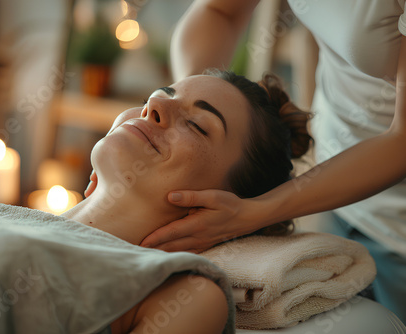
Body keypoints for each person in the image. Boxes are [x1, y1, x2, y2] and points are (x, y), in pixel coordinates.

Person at [107, 0, 405, 323]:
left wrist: (256, 210)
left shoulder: (194, 303)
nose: (153, 105)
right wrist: (190, 107)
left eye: (198, 127)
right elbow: (219, 11)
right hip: (337, 177)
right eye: (166, 93)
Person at [75, 69, 311, 332]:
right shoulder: (21, 216)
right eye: (151, 98)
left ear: (219, 207)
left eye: (197, 124)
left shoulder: (183, 300)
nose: (154, 105)